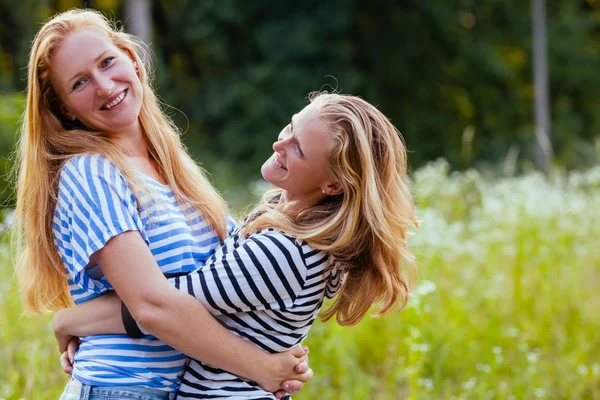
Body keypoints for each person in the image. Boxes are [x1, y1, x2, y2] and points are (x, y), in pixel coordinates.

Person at [14, 8, 311, 400]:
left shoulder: (175, 171)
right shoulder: (91, 174)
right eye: (80, 82)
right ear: (66, 108)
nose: (104, 86)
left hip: (187, 389)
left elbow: (223, 286)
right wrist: (261, 368)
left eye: (107, 62)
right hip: (123, 389)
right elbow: (152, 306)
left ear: (132, 60)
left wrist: (73, 319)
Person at [52, 91, 419, 399]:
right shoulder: (281, 218)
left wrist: (69, 320)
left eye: (300, 149)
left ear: (333, 186)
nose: (280, 143)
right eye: (291, 126)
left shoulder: (286, 251)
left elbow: (164, 302)